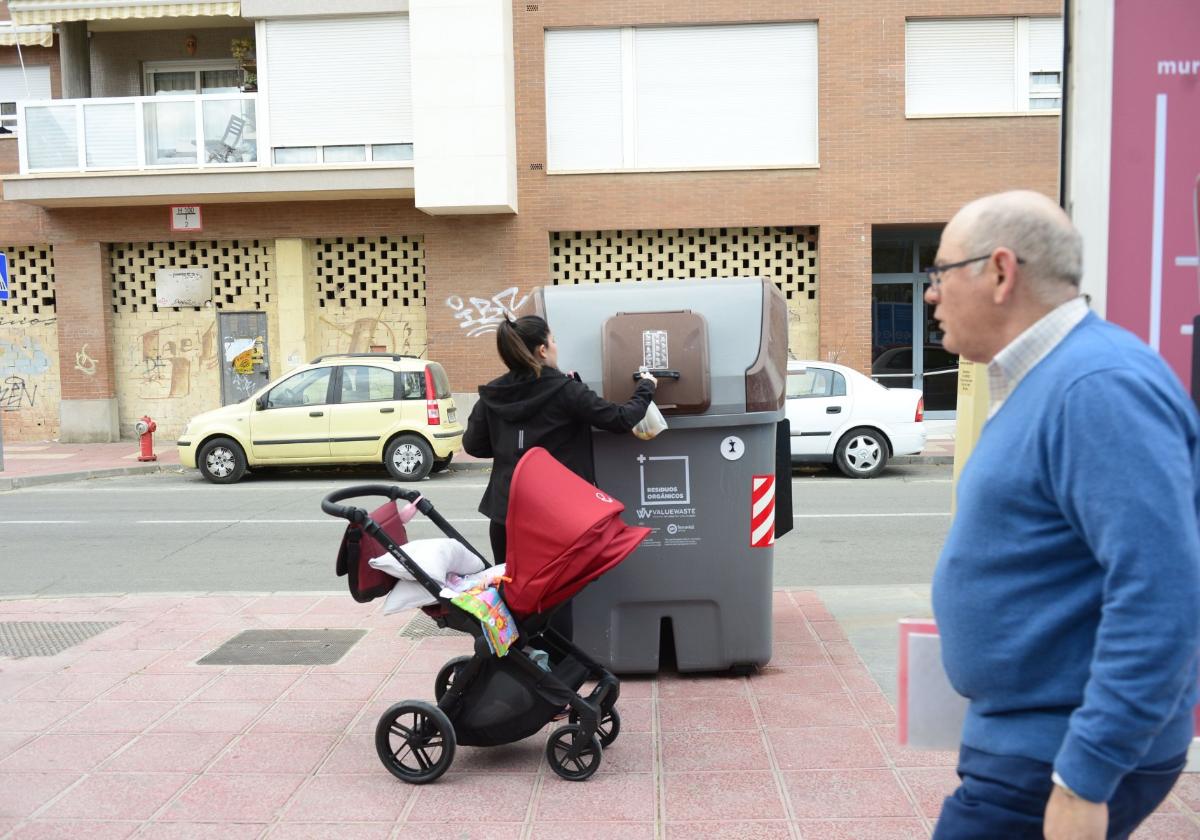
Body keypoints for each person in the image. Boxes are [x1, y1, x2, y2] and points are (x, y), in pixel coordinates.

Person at [927, 190, 1200, 840]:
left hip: (1054, 755)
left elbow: (1162, 593)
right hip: (1028, 742)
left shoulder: (1096, 386)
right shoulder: (1050, 378)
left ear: (999, 272)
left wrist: (1086, 775)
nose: (932, 294)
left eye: (941, 272)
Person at [463, 314, 657, 641]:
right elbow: (621, 418)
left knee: (513, 597)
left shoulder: (493, 394)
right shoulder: (566, 391)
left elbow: (473, 444)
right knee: (553, 599)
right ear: (541, 350)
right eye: (552, 341)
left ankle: (516, 668)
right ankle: (554, 675)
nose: (556, 347)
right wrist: (647, 387)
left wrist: (513, 449)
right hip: (555, 521)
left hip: (506, 515)